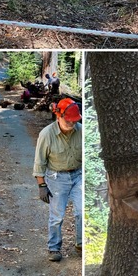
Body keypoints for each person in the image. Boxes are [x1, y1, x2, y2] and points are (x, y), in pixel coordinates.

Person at [33, 98, 82, 262]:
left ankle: (81, 244)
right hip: (56, 177)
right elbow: (40, 161)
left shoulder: (81, 131)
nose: (71, 124)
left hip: (78, 174)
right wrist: (42, 185)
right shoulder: (47, 134)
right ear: (58, 116)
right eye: (68, 120)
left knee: (82, 211)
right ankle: (54, 248)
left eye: (74, 121)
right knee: (57, 216)